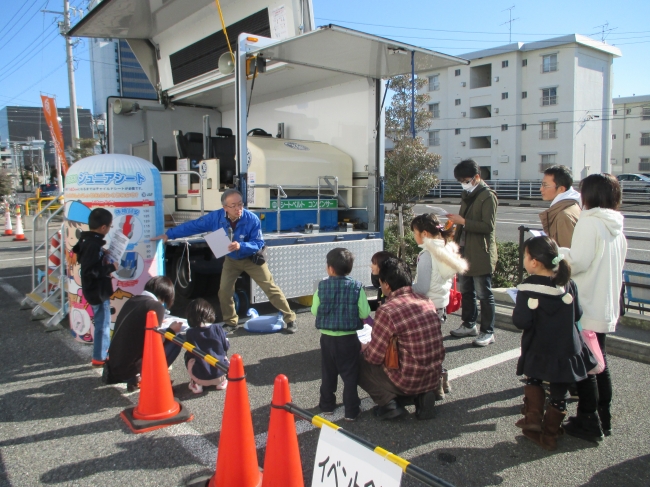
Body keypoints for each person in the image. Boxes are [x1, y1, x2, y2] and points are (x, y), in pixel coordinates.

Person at [153, 189, 297, 333]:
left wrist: (241, 245)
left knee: (270, 288)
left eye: (240, 204)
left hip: (251, 259)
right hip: (231, 260)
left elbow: (258, 243)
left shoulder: (252, 219)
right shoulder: (215, 218)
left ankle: (290, 318)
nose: (238, 208)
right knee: (224, 291)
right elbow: (194, 226)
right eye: (233, 205)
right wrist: (169, 235)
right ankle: (231, 322)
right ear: (225, 208)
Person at [513, 236, 601, 450]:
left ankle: (533, 418)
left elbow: (521, 321)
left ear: (534, 262)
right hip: (566, 349)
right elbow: (577, 314)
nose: (524, 259)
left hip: (538, 347)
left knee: (533, 379)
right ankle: (550, 434)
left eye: (526, 256)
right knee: (559, 392)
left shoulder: (527, 288)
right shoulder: (567, 283)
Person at [558, 174, 627, 437]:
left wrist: (558, 252)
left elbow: (579, 262)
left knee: (586, 365)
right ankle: (603, 418)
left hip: (586, 304)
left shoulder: (589, 223)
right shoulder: (614, 226)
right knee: (600, 362)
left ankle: (589, 420)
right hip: (606, 303)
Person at [358, 258, 445, 421]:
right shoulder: (426, 301)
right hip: (434, 375)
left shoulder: (387, 310)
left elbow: (374, 357)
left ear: (386, 285)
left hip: (408, 378)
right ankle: (422, 396)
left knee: (358, 363)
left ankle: (390, 404)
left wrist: (365, 348)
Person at [410, 213, 468, 399]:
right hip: (440, 305)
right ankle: (443, 380)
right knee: (436, 346)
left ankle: (433, 386)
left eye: (415, 232)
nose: (414, 236)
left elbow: (422, 287)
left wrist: (406, 287)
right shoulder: (446, 249)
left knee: (425, 349)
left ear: (425, 233)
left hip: (426, 307)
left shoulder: (427, 255)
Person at [311, 248, 370, 421]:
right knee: (350, 374)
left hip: (327, 339)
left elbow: (315, 310)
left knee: (328, 372)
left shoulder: (322, 286)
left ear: (330, 268)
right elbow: (365, 313)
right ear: (349, 268)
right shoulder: (356, 287)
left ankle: (327, 405)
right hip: (349, 338)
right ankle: (351, 410)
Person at [446, 159, 498, 347]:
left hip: (480, 252)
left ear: (477, 177)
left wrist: (463, 221)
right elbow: (464, 221)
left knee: (484, 294)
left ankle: (488, 331)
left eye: (466, 179)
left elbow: (488, 226)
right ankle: (469, 324)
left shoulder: (487, 196)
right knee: (467, 291)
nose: (463, 183)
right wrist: (455, 225)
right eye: (460, 180)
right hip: (465, 250)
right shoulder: (467, 193)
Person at [105, 276, 183, 391]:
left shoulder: (132, 300)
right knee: (177, 341)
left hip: (114, 364)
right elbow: (156, 341)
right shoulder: (156, 306)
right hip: (129, 369)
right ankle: (151, 377)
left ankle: (135, 377)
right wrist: (172, 330)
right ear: (165, 295)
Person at [71, 208, 118, 367]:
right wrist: (111, 267)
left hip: (91, 289)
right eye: (110, 227)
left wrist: (101, 254)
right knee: (103, 324)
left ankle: (102, 353)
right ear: (103, 227)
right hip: (97, 291)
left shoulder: (86, 239)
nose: (109, 229)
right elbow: (90, 270)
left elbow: (78, 253)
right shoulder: (93, 244)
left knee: (101, 323)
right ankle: (100, 356)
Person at [184, 298, 230, 394]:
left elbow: (190, 354)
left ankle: (196, 384)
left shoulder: (190, 332)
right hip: (220, 375)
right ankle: (221, 383)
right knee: (223, 354)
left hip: (200, 377)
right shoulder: (217, 328)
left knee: (188, 357)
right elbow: (226, 346)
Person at [539, 165, 581, 247]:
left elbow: (566, 255)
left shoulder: (563, 216)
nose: (541, 189)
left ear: (561, 189)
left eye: (545, 185)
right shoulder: (574, 204)